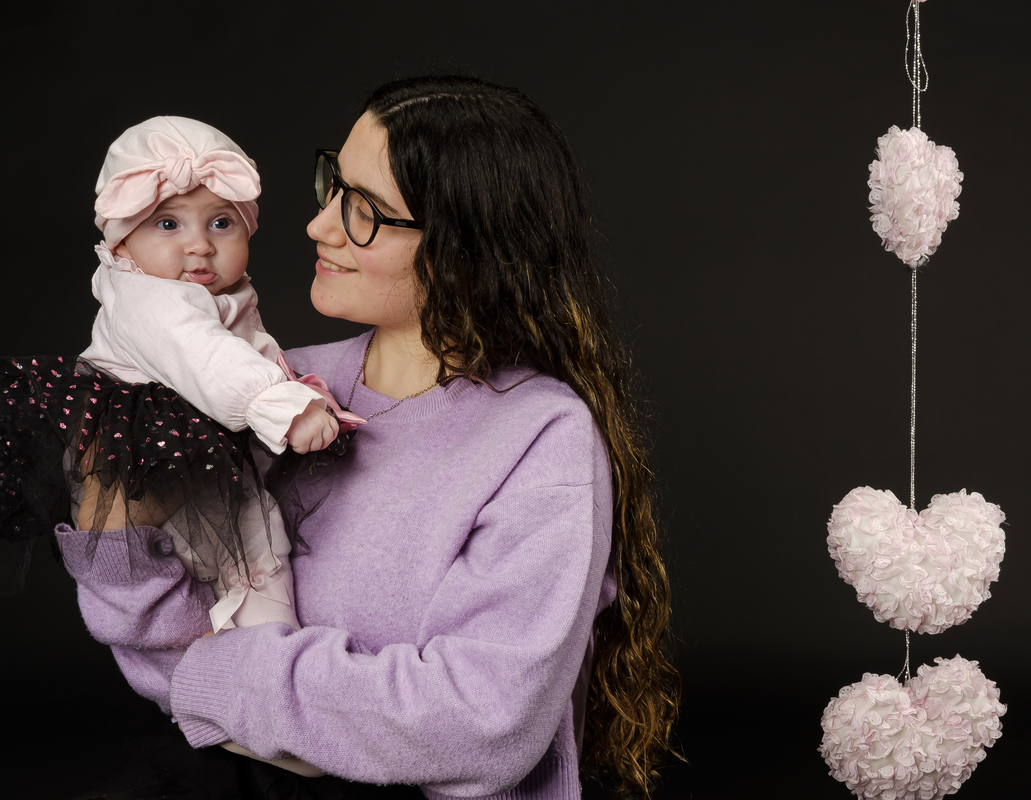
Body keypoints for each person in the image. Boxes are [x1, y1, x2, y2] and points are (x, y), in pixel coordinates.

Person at [53, 76, 680, 799]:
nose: (318, 226)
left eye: (364, 211)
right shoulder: (282, 385)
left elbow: (482, 724)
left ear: (462, 250)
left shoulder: (542, 436)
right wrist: (116, 513)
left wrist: (223, 674)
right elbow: (156, 649)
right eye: (332, 187)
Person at [0, 116, 360, 633]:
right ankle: (234, 671)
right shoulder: (150, 298)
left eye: (221, 223)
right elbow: (202, 353)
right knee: (226, 567)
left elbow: (246, 349)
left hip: (204, 451)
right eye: (168, 224)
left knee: (257, 556)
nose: (200, 245)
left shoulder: (211, 292)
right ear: (121, 244)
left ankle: (266, 662)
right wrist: (284, 405)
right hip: (150, 455)